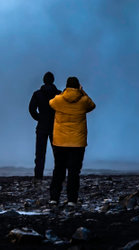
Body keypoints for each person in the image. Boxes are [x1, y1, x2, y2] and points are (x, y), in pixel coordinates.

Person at [49, 76, 96, 206]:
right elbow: (92, 105)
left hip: (60, 141)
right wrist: (82, 92)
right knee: (74, 171)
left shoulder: (58, 100)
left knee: (58, 169)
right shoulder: (83, 101)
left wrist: (64, 92)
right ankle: (71, 200)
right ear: (78, 87)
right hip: (77, 142)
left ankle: (54, 198)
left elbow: (50, 103)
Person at [29, 72, 61, 181]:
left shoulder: (37, 94)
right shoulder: (58, 94)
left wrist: (39, 118)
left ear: (44, 80)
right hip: (55, 126)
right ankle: (59, 176)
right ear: (53, 80)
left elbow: (32, 109)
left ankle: (38, 177)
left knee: (40, 154)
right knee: (58, 154)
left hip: (42, 126)